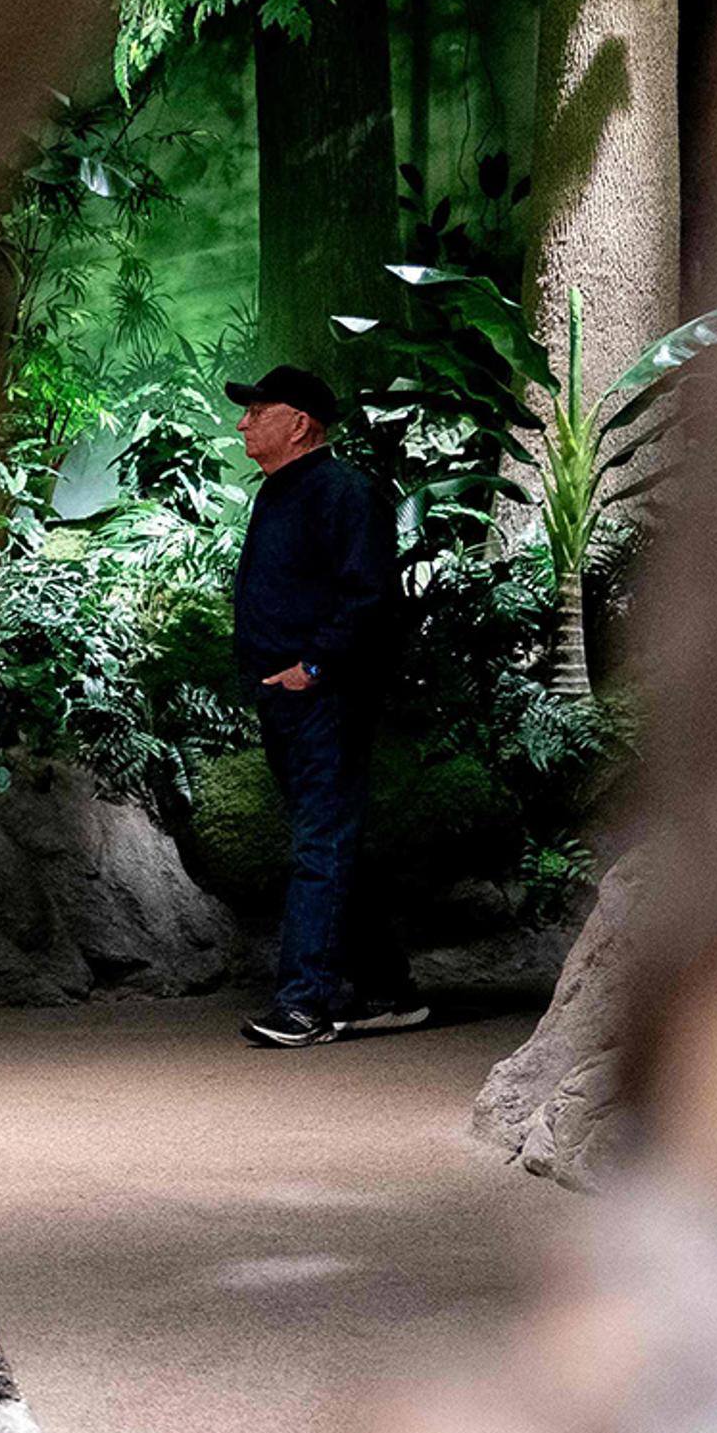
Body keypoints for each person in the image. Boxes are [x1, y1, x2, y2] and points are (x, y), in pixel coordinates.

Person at [224, 363, 423, 1048]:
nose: (244, 421)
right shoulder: (278, 492)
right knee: (334, 842)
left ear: (299, 423)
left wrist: (312, 668)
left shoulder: (345, 493)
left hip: (327, 699)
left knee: (320, 845)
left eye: (257, 410)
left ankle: (305, 1004)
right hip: (287, 700)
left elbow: (368, 599)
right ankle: (389, 990)